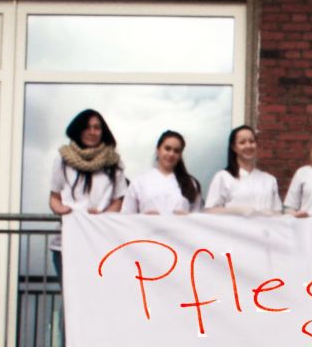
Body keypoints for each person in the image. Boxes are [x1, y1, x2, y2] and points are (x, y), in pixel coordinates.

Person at [48, 109, 127, 274]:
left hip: (100, 241)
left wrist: (103, 216)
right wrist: (62, 210)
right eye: (87, 127)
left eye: (97, 127)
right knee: (70, 297)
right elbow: (54, 197)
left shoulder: (114, 163)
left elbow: (118, 200)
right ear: (78, 130)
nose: (92, 132)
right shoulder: (63, 160)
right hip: (67, 241)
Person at [204, 125, 282, 215]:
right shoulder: (223, 177)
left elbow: (278, 213)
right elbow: (210, 211)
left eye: (252, 141)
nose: (248, 146)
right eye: (242, 142)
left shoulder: (269, 180)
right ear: (234, 147)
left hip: (264, 228)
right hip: (233, 228)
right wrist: (236, 211)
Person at [122, 130, 202, 214]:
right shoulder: (140, 182)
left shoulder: (191, 184)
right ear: (158, 150)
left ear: (180, 155)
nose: (171, 154)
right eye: (167, 149)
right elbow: (126, 215)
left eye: (176, 151)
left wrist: (187, 217)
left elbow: (197, 218)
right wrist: (143, 216)